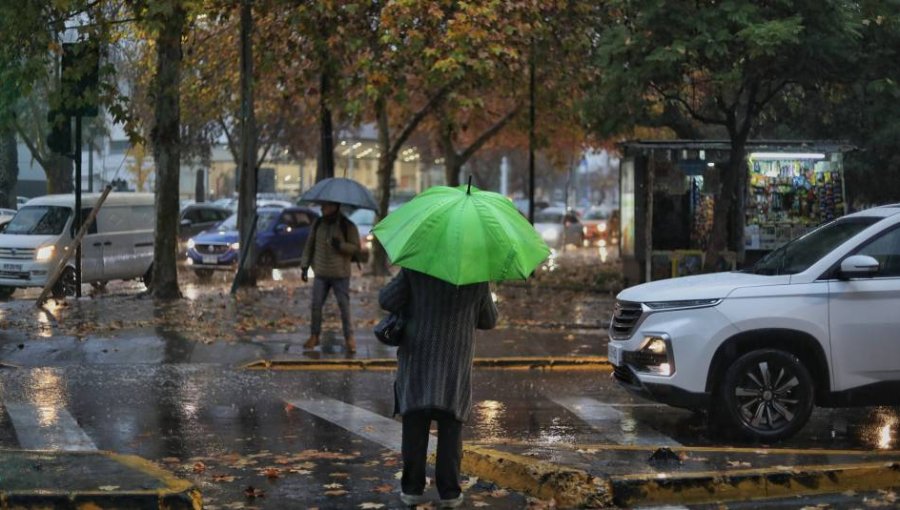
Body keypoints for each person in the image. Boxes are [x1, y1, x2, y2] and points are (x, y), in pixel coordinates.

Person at [379, 268, 498, 508]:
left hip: (418, 357)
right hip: (454, 361)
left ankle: (412, 489)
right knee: (451, 432)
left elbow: (386, 299)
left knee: (414, 427)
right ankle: (450, 493)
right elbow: (489, 320)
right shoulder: (476, 273)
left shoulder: (416, 267)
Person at [300, 201, 361, 353]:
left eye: (325, 205)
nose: (322, 208)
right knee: (316, 305)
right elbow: (310, 244)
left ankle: (349, 338)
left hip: (340, 274)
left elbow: (355, 247)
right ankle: (314, 336)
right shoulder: (318, 223)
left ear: (335, 206)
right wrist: (304, 266)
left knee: (344, 307)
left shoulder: (347, 225)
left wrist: (340, 246)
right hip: (321, 272)